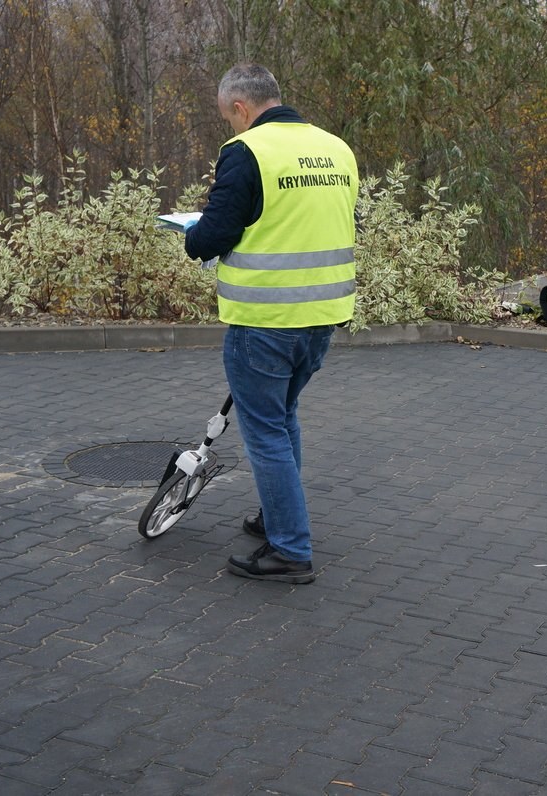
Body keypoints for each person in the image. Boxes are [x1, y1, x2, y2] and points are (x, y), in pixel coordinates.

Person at [184, 63, 358, 584]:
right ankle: (275, 519)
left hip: (264, 320)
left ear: (241, 107)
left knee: (265, 434)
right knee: (283, 420)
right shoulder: (336, 149)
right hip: (321, 318)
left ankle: (290, 550)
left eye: (229, 118)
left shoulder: (247, 152)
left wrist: (193, 233)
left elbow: (209, 237)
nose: (231, 129)